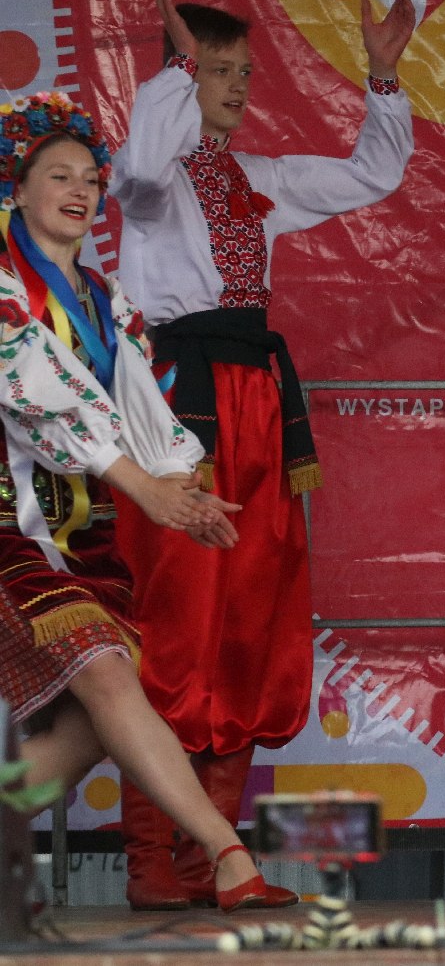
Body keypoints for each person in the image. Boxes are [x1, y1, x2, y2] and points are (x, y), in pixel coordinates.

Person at [107, 0, 416, 909]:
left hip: (257, 402)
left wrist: (385, 78)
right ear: (181, 74)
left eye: (244, 70)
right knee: (175, 615)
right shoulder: (153, 187)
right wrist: (172, 77)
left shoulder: (261, 178)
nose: (238, 85)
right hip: (177, 405)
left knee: (250, 613)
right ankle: (150, 856)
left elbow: (373, 174)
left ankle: (214, 855)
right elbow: (135, 170)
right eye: (218, 71)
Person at [0, 91, 271, 913]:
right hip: (9, 527)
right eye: (58, 175)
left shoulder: (107, 302)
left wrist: (181, 482)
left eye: (89, 176)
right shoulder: (5, 291)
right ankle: (230, 854)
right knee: (112, 680)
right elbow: (43, 397)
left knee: (94, 723)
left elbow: (140, 408)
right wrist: (144, 486)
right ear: (17, 188)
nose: (79, 190)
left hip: (79, 540)